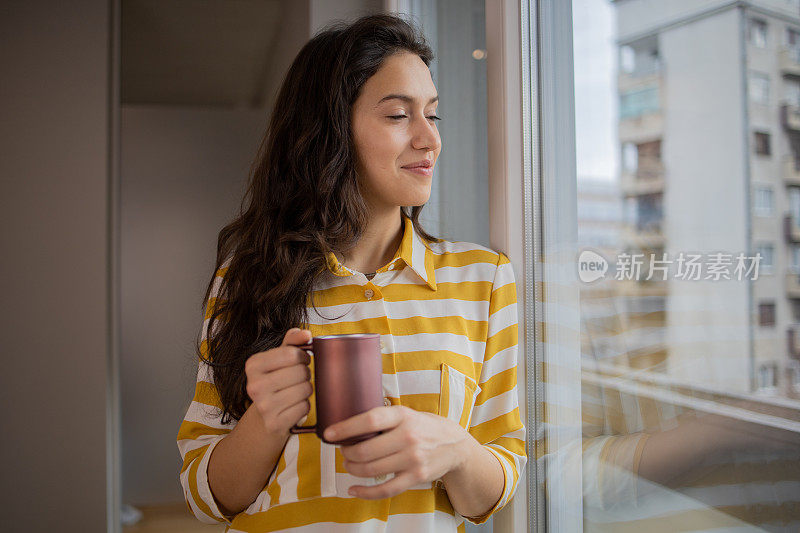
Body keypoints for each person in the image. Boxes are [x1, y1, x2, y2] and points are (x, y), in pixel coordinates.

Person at [176, 13, 526, 532]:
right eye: (397, 116)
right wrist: (266, 420)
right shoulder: (248, 279)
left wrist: (454, 450)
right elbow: (207, 499)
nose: (429, 139)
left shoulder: (484, 279)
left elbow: (491, 492)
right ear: (330, 132)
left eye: (433, 115)